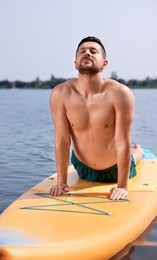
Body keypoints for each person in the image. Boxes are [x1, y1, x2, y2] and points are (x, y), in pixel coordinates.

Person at [49, 36, 144, 200]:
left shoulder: (120, 93)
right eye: (82, 51)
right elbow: (62, 141)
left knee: (134, 156)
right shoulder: (60, 93)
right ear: (75, 63)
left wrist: (122, 186)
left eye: (93, 51)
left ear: (104, 63)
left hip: (115, 169)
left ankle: (139, 151)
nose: (87, 53)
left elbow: (122, 142)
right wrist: (62, 182)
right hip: (82, 168)